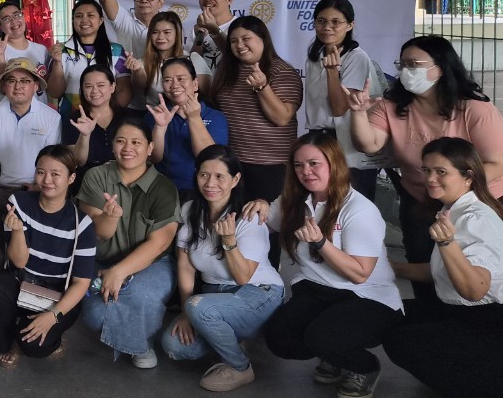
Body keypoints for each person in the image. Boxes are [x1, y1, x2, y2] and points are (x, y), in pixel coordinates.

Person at [348, 34, 503, 303]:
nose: (406, 71)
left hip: (476, 198)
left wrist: (454, 189)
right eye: (402, 65)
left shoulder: (474, 108)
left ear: (440, 68)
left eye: (414, 64)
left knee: (471, 269)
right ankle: (428, 315)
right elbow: (369, 144)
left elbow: (498, 162)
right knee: (421, 257)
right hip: (419, 197)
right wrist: (358, 113)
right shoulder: (392, 105)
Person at [251, 132, 402, 398]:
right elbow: (264, 221)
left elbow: (360, 274)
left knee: (321, 337)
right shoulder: (295, 201)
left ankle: (364, 367)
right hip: (319, 290)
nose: (305, 172)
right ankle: (332, 351)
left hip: (367, 297)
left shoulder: (359, 209)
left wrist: (321, 242)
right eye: (298, 165)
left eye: (314, 163)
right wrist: (260, 204)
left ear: (334, 164)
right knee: (279, 339)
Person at [383, 138, 503, 398]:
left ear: (468, 177)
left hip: (485, 320)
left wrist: (447, 243)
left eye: (441, 172)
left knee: (400, 339)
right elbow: (442, 271)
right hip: (459, 311)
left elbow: (475, 290)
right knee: (389, 313)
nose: (430, 179)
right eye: (426, 170)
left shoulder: (476, 219)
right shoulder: (452, 210)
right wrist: (393, 268)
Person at [160, 145, 283, 392]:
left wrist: (229, 241)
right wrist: (185, 313)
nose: (210, 183)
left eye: (219, 176)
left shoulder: (249, 216)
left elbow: (243, 276)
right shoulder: (189, 210)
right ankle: (230, 338)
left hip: (258, 292)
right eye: (204, 175)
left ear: (235, 180)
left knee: (199, 306)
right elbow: (185, 267)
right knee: (174, 346)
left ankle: (240, 367)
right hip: (215, 295)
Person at [0, 145, 96, 366]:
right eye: (41, 172)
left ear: (71, 178)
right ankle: (7, 343)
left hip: (58, 295)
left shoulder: (82, 224)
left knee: (34, 347)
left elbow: (81, 283)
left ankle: (48, 337)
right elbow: (19, 262)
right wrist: (17, 231)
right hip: (22, 283)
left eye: (55, 174)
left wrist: (53, 316)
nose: (47, 180)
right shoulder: (19, 203)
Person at [78, 120, 179, 369]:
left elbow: (159, 243)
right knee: (95, 314)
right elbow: (99, 234)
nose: (127, 148)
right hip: (101, 261)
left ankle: (141, 345)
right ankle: (136, 332)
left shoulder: (164, 187)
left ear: (150, 148)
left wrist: (119, 271)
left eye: (136, 142)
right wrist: (110, 217)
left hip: (152, 264)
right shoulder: (96, 176)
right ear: (112, 145)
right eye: (121, 141)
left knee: (142, 296)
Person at [210, 16, 302, 211]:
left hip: (271, 166)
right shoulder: (227, 70)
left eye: (246, 39)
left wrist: (262, 87)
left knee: (264, 221)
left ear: (263, 39)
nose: (239, 45)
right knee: (233, 219)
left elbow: (282, 117)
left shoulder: (281, 71)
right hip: (233, 162)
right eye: (233, 41)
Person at [304, 0, 383, 199]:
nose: (327, 27)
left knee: (351, 204)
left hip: (346, 144)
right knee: (321, 203)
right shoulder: (315, 55)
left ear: (349, 25)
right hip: (319, 139)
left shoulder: (356, 57)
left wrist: (333, 72)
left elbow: (339, 109)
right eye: (321, 21)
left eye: (335, 22)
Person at [145, 57, 228, 201]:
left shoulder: (215, 117)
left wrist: (194, 118)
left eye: (181, 79)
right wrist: (160, 126)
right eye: (168, 80)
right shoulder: (154, 115)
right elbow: (154, 158)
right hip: (162, 189)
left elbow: (210, 158)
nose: (174, 85)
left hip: (202, 191)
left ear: (195, 84)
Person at [47, 0, 130, 141]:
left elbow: (124, 90)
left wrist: (111, 113)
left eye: (90, 15)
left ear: (101, 20)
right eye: (79, 16)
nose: (84, 20)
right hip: (72, 119)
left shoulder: (116, 51)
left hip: (108, 122)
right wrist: (57, 63)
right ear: (73, 21)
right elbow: (55, 92)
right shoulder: (61, 51)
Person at [0, 57, 61, 192]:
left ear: (36, 86)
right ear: (4, 86)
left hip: (35, 188)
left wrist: (39, 187)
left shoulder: (52, 117)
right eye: (12, 81)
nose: (18, 86)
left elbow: (53, 158)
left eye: (25, 81)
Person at [136, 11, 211, 108]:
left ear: (177, 33)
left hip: (193, 113)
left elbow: (207, 94)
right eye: (155, 32)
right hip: (156, 114)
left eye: (167, 32)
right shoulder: (141, 64)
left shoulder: (193, 58)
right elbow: (139, 92)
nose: (160, 37)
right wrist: (137, 72)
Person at [0, 2, 48, 100]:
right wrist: (1, 55)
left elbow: (48, 86)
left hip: (39, 108)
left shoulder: (42, 50)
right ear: (0, 27)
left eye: (17, 15)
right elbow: (1, 88)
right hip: (8, 109)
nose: (13, 21)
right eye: (6, 19)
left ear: (24, 17)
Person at [70, 65, 121, 181]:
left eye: (100, 85)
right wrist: (85, 135)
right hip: (87, 181)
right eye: (88, 86)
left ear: (112, 87)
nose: (94, 91)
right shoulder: (76, 119)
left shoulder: (127, 117)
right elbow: (78, 161)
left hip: (123, 180)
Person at [191, 0, 238, 71]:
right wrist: (198, 39)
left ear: (229, 0)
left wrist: (213, 30)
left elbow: (236, 56)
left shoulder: (240, 27)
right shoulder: (196, 30)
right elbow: (191, 65)